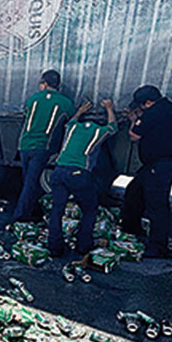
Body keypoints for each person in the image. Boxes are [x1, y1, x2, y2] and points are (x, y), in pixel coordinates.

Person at [118, 85, 172, 258]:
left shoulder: (152, 113)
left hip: (160, 164)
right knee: (134, 191)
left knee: (157, 205)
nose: (139, 108)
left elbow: (134, 135)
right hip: (164, 162)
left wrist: (134, 119)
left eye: (141, 105)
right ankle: (132, 230)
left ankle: (157, 246)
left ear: (148, 102)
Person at [46, 100, 116, 257]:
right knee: (90, 209)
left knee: (57, 209)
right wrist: (110, 108)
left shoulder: (73, 128)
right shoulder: (97, 131)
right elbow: (113, 128)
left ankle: (54, 247)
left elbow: (71, 120)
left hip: (58, 171)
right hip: (78, 174)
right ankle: (83, 246)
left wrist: (80, 111)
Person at [10, 69, 74, 223]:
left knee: (28, 180)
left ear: (44, 84)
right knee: (32, 182)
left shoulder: (33, 99)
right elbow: (71, 120)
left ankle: (22, 214)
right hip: (42, 147)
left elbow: (26, 113)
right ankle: (25, 214)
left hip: (25, 145)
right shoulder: (65, 102)